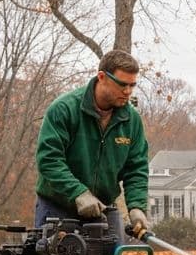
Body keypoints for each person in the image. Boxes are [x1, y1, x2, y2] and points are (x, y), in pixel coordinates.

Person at [35, 49, 151, 238]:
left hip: (103, 209)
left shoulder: (132, 121)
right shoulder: (65, 109)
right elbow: (49, 160)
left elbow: (136, 168)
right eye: (122, 84)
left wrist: (137, 207)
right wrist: (78, 193)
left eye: (132, 85)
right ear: (102, 77)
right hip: (58, 208)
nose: (128, 91)